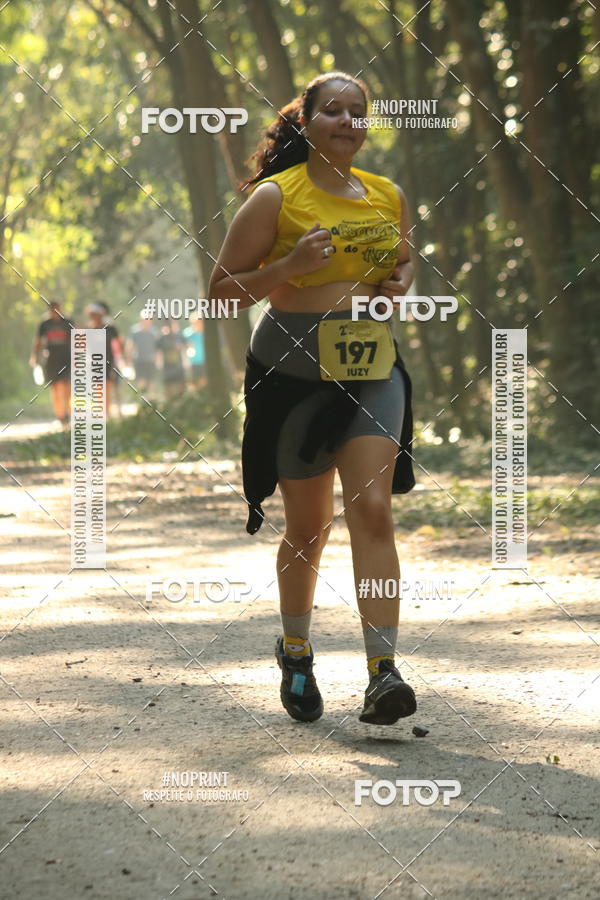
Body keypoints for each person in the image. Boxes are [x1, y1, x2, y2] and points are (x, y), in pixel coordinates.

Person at [208, 72, 418, 726]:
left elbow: (401, 261)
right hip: (291, 375)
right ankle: (296, 651)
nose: (348, 121)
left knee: (373, 510)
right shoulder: (276, 197)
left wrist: (399, 282)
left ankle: (383, 672)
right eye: (334, 110)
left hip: (371, 368)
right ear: (306, 121)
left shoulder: (386, 195)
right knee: (308, 529)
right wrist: (289, 267)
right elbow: (221, 293)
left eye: (358, 112)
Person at [30, 301, 73, 426]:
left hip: (66, 358)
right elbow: (38, 341)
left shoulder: (67, 322)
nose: (55, 313)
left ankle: (67, 413)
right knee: (55, 387)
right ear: (49, 311)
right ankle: (60, 416)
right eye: (52, 310)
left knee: (66, 386)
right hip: (51, 360)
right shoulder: (44, 324)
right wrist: (34, 356)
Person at [85, 303, 125, 418]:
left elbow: (119, 342)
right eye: (92, 315)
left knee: (109, 386)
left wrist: (121, 358)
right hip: (94, 362)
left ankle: (110, 413)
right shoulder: (89, 329)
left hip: (109, 362)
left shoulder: (110, 328)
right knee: (98, 388)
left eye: (95, 314)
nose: (94, 317)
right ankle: (102, 413)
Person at [128, 311, 158, 396]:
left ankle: (151, 399)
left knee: (152, 381)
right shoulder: (134, 331)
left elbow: (157, 347)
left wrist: (157, 359)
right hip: (139, 360)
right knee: (141, 381)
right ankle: (142, 399)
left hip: (151, 360)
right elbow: (130, 346)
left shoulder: (154, 331)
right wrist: (129, 361)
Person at [156, 319, 186, 399]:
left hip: (179, 367)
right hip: (167, 368)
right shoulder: (162, 338)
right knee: (168, 388)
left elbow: (186, 348)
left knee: (181, 388)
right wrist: (159, 365)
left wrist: (181, 347)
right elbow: (158, 352)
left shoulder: (180, 336)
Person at [182, 315, 206, 388]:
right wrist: (185, 360)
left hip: (205, 362)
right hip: (193, 363)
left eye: (200, 322)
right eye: (196, 322)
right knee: (194, 382)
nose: (198, 324)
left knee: (205, 381)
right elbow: (184, 348)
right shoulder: (187, 333)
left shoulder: (207, 333)